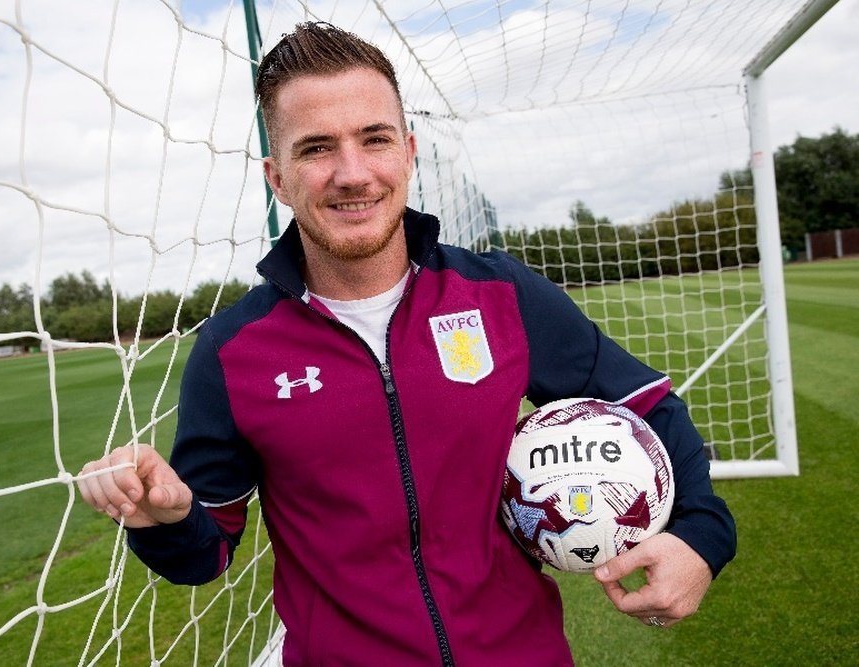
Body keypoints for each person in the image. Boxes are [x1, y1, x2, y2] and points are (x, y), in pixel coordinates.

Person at [78, 22, 736, 666]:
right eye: (316, 148)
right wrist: (160, 515)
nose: (353, 172)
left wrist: (702, 536)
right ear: (276, 178)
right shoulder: (231, 351)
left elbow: (646, 402)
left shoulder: (500, 293)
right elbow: (205, 554)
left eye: (375, 139)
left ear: (409, 151)